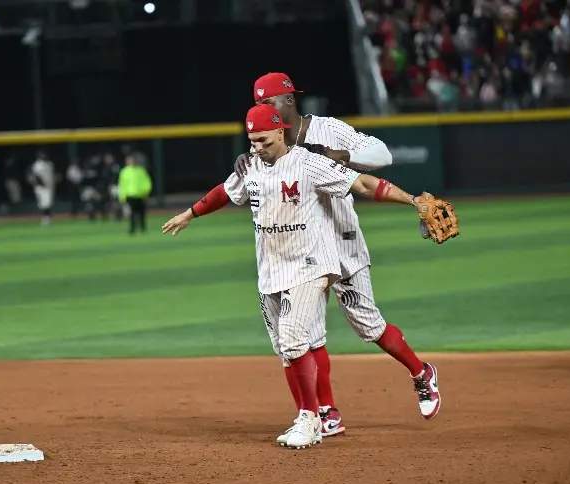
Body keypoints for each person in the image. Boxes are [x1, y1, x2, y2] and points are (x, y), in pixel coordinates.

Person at [163, 104, 456, 449]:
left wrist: (412, 201)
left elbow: (361, 182)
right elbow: (224, 193)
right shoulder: (250, 167)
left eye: (263, 141)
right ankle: (320, 414)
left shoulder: (308, 162)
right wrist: (190, 213)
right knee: (291, 348)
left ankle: (309, 417)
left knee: (296, 336)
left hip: (311, 264)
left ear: (280, 133)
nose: (257, 148)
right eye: (252, 141)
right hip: (271, 271)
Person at [235, 73, 441, 435]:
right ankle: (327, 411)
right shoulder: (269, 142)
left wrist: (347, 155)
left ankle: (421, 371)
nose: (264, 111)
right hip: (302, 248)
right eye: (259, 106)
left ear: (289, 101)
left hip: (342, 239)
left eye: (268, 104)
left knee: (368, 323)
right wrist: (251, 155)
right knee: (308, 332)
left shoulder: (328, 129)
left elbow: (383, 154)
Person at [118, 154, 152, 234]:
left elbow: (147, 182)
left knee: (141, 213)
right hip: (130, 195)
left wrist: (146, 192)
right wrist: (122, 196)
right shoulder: (124, 171)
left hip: (140, 195)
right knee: (132, 213)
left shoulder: (141, 170)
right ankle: (132, 228)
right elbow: (122, 184)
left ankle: (143, 228)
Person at [28, 151, 55, 226]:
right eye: (41, 155)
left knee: (47, 203)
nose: (43, 156)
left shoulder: (49, 164)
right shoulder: (37, 165)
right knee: (44, 203)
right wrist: (41, 184)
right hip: (41, 187)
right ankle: (45, 219)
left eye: (44, 155)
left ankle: (47, 218)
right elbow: (35, 176)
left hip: (49, 186)